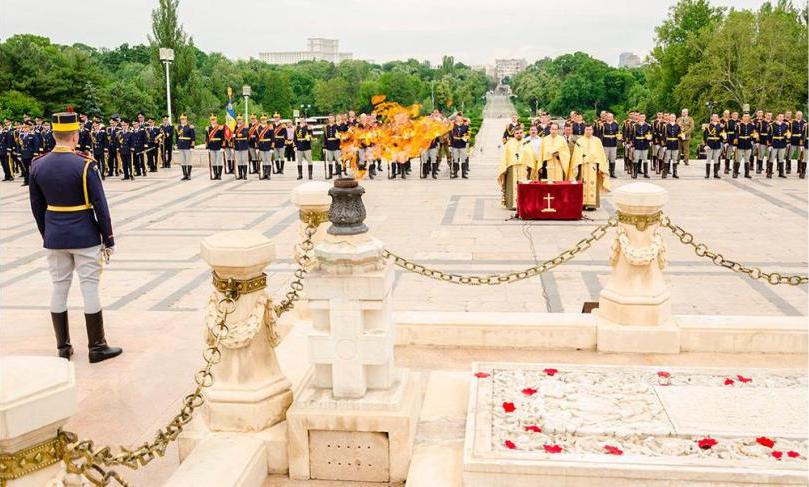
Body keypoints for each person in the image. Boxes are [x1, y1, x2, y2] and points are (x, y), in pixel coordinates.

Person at [28, 111, 122, 363]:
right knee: (89, 287)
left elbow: (37, 207)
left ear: (54, 135)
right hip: (84, 235)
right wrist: (108, 238)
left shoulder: (37, 165)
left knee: (59, 287)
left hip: (54, 236)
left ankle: (63, 347)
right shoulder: (85, 164)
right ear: (75, 136)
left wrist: (47, 234)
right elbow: (100, 206)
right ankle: (97, 346)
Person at [570, 124, 610, 210]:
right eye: (587, 129)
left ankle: (592, 204)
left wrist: (600, 165)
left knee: (593, 184)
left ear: (593, 130)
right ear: (584, 130)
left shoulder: (597, 141)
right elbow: (576, 155)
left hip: (593, 166)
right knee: (583, 184)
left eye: (590, 129)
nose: (588, 131)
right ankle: (582, 203)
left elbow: (601, 154)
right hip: (583, 166)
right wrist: (580, 161)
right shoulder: (580, 140)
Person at [497, 127, 529, 210]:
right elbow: (505, 156)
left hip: (523, 167)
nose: (519, 134)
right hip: (512, 167)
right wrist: (504, 168)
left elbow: (530, 155)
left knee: (524, 186)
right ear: (514, 134)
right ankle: (511, 204)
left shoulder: (527, 142)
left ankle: (523, 204)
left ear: (523, 133)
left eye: (520, 133)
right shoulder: (509, 143)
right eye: (517, 133)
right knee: (512, 186)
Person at [733, 113, 756, 179]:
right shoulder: (739, 125)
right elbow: (736, 135)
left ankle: (747, 173)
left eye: (747, 117)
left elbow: (754, 133)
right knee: (738, 159)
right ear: (742, 117)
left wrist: (754, 138)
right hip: (740, 143)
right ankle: (735, 173)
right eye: (745, 116)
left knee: (747, 159)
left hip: (748, 143)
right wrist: (735, 144)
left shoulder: (751, 125)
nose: (746, 118)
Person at [702, 114, 725, 179]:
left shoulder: (720, 126)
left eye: (716, 117)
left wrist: (723, 138)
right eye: (714, 117)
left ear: (718, 118)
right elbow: (705, 136)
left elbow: (721, 135)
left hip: (717, 143)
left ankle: (716, 173)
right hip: (710, 144)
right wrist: (705, 145)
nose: (715, 118)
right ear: (711, 118)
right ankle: (707, 174)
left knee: (716, 159)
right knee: (708, 159)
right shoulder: (708, 126)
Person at [768, 113, 789, 178]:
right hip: (774, 143)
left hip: (782, 143)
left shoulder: (785, 125)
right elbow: (769, 135)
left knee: (781, 158)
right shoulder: (772, 125)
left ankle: (781, 173)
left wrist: (787, 138)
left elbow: (786, 134)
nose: (781, 118)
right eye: (780, 116)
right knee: (772, 158)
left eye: (782, 117)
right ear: (777, 117)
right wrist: (770, 144)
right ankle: (769, 172)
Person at [631, 113, 652, 179]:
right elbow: (632, 135)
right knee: (636, 159)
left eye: (643, 117)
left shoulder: (648, 126)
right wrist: (632, 144)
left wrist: (649, 139)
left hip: (645, 143)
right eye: (641, 117)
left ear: (645, 118)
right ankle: (635, 173)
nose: (642, 118)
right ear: (638, 118)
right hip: (637, 144)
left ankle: (646, 173)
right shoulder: (634, 125)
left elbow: (650, 134)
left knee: (645, 159)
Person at [599, 113, 620, 178]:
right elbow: (600, 134)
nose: (610, 118)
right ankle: (604, 172)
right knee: (605, 159)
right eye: (608, 117)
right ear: (606, 117)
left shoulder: (616, 124)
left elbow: (618, 133)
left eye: (611, 117)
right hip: (606, 143)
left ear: (613, 117)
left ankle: (612, 172)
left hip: (613, 143)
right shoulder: (603, 125)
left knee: (612, 158)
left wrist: (619, 137)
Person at [661, 113, 682, 179]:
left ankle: (675, 173)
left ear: (675, 118)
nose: (672, 118)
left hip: (675, 144)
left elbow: (680, 135)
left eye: (674, 117)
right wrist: (663, 145)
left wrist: (682, 136)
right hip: (668, 144)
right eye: (671, 117)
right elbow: (663, 136)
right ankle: (665, 173)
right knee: (667, 159)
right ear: (669, 118)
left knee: (675, 159)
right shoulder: (666, 126)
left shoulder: (678, 126)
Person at [176, 114, 196, 181]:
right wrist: (176, 144)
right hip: (181, 146)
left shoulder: (190, 127)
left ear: (186, 120)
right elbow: (177, 137)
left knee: (188, 160)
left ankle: (189, 175)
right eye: (181, 119)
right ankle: (185, 174)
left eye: (184, 119)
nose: (182, 120)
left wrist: (192, 146)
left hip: (187, 145)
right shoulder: (178, 127)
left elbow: (193, 137)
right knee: (182, 161)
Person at [450, 115, 470, 179]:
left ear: (462, 119)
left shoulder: (465, 126)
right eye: (457, 118)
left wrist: (465, 138)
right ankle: (455, 173)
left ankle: (463, 174)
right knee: (455, 159)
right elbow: (451, 135)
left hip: (462, 145)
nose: (458, 119)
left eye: (460, 118)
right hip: (455, 145)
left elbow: (468, 134)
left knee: (463, 160)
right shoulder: (452, 126)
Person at [206, 115, 225, 180]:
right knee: (213, 161)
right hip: (211, 146)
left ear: (216, 120)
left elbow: (223, 137)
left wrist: (222, 146)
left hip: (218, 146)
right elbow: (207, 138)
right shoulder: (208, 128)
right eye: (212, 120)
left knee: (219, 161)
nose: (213, 121)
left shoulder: (220, 127)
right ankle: (215, 175)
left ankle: (219, 175)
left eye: (214, 119)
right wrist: (207, 147)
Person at [323, 114, 341, 180]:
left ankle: (339, 174)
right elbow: (325, 138)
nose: (331, 119)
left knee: (338, 160)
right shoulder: (326, 127)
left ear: (334, 119)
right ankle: (330, 175)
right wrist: (324, 147)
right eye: (329, 118)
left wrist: (339, 137)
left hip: (336, 145)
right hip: (329, 146)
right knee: (330, 160)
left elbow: (341, 135)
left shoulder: (337, 126)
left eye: (332, 118)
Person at [256, 115, 274, 180]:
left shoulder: (270, 127)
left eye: (264, 119)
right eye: (262, 119)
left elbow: (272, 137)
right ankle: (264, 174)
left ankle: (268, 174)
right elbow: (257, 138)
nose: (263, 121)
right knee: (263, 161)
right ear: (260, 120)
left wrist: (272, 147)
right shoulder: (258, 128)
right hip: (261, 146)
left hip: (268, 145)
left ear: (266, 120)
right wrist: (257, 147)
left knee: (268, 160)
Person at [233, 115, 250, 180]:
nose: (239, 121)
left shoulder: (245, 127)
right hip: (237, 146)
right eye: (238, 119)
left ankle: (245, 175)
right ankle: (240, 175)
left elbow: (245, 134)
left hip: (244, 145)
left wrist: (236, 135)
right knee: (239, 161)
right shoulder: (234, 127)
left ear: (242, 120)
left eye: (240, 119)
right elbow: (233, 136)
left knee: (244, 160)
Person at [789, 111, 805, 177]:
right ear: (795, 115)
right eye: (798, 115)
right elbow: (789, 132)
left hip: (801, 141)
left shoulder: (804, 122)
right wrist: (789, 141)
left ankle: (799, 169)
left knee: (800, 155)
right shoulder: (792, 122)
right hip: (793, 140)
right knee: (790, 154)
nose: (799, 116)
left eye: (800, 115)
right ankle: (788, 168)